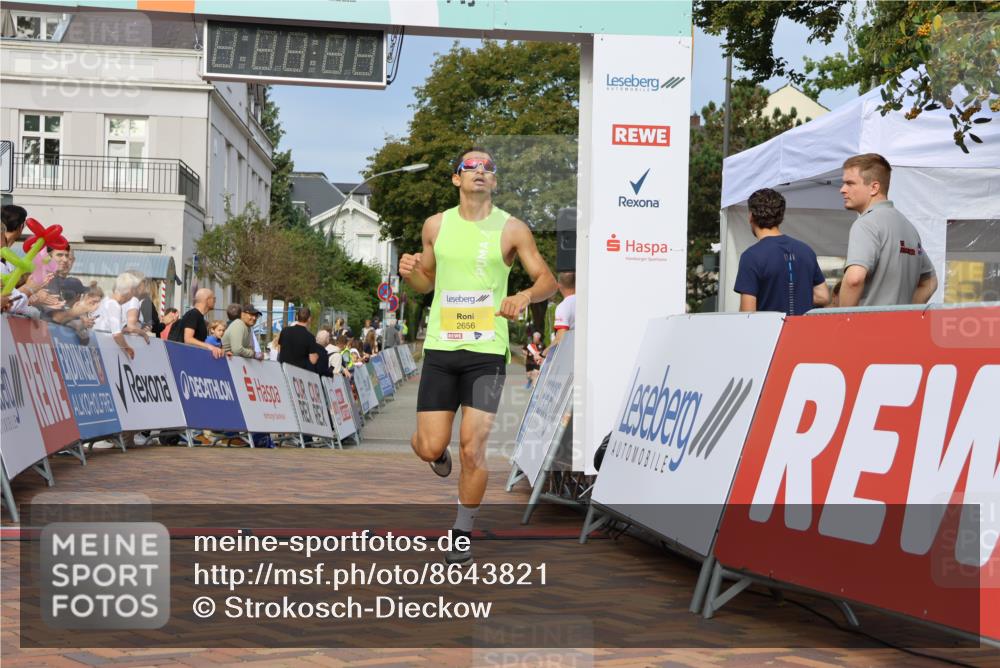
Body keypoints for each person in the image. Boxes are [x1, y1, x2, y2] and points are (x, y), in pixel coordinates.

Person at [398, 146, 557, 565]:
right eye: (471, 167)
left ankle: (462, 531)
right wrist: (410, 270)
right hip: (441, 348)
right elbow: (425, 284)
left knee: (473, 447)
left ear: (495, 181)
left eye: (488, 167)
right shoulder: (436, 225)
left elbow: (547, 280)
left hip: (487, 351)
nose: (480, 172)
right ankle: (435, 454)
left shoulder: (512, 229)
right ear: (457, 179)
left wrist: (522, 295)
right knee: (430, 446)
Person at [839, 153, 937, 307]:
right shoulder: (908, 227)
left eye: (850, 183)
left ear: (874, 188)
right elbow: (931, 282)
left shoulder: (866, 224)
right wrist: (904, 314)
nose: (842, 190)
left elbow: (854, 279)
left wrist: (841, 322)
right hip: (900, 328)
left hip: (867, 328)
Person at [734, 188, 829, 314]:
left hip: (770, 332)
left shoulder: (751, 256)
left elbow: (747, 313)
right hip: (803, 331)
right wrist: (798, 297)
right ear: (781, 217)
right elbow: (823, 296)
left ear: (751, 216)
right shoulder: (806, 250)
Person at [169, 288, 226, 359]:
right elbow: (188, 339)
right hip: (184, 359)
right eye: (214, 299)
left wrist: (221, 351)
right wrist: (209, 346)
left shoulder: (198, 316)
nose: (215, 301)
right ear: (208, 300)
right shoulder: (194, 314)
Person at [277, 306, 319, 371]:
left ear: (297, 317)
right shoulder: (310, 337)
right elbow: (313, 360)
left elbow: (279, 349)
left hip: (283, 370)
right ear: (309, 319)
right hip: (298, 373)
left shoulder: (285, 331)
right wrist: (316, 356)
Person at [552, 271, 576, 345]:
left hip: (572, 352)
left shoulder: (563, 307)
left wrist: (542, 354)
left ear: (559, 285)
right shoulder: (587, 301)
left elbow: (559, 339)